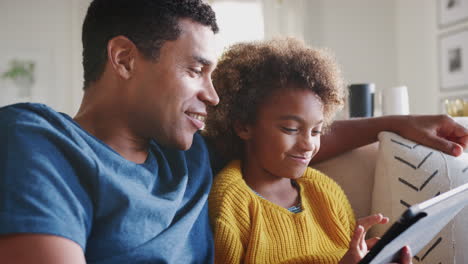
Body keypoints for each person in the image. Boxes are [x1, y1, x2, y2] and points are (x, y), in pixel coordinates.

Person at [0, 0, 466, 263]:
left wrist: (394, 124)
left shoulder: (188, 157)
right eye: (195, 70)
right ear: (124, 59)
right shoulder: (40, 142)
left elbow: (286, 140)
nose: (214, 95)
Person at [204, 38, 410, 264]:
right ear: (243, 125)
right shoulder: (230, 202)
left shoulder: (326, 192)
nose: (309, 145)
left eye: (316, 131)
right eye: (291, 129)